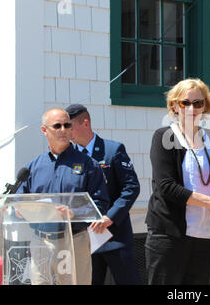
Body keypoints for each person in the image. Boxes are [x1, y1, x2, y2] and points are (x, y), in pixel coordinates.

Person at [145, 78, 210, 285]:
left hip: (204, 232)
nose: (192, 108)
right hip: (169, 234)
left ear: (205, 106)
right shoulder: (164, 136)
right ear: (174, 106)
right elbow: (166, 187)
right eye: (185, 103)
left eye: (198, 103)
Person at [17, 107, 110, 284]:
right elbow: (20, 198)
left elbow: (100, 203)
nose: (63, 130)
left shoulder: (88, 164)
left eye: (67, 125)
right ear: (45, 130)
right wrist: (20, 209)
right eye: (57, 126)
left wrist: (74, 213)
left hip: (74, 241)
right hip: (40, 242)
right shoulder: (34, 166)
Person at [65, 103, 142, 285]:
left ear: (85, 123)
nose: (66, 132)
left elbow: (131, 188)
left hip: (114, 234)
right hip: (85, 237)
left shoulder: (112, 150)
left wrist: (110, 217)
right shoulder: (69, 157)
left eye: (70, 127)